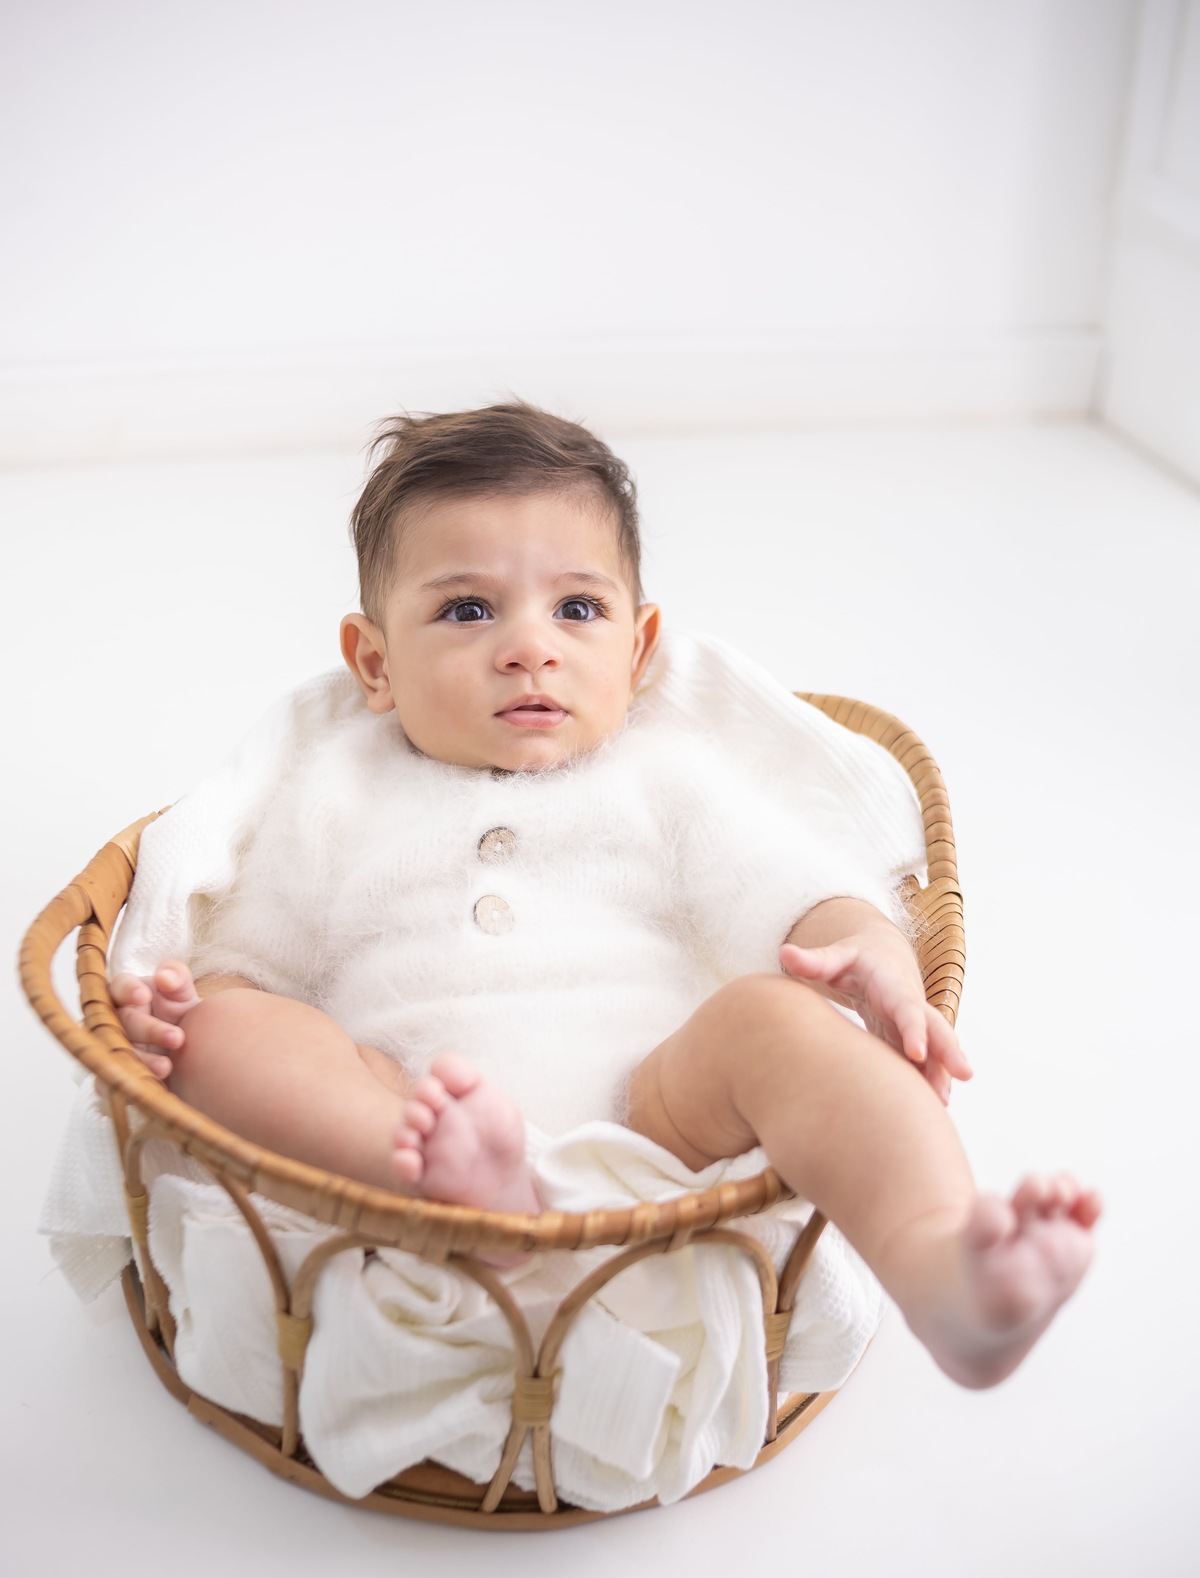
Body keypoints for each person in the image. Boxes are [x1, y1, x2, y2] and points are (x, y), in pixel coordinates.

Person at [109, 401, 1100, 1390]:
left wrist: (866, 942)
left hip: (656, 1111)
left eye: (577, 609)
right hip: (406, 1109)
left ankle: (941, 1267)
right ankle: (466, 1202)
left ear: (636, 647)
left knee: (775, 1021)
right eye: (466, 610)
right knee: (226, 1037)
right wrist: (194, 1000)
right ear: (375, 662)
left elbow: (792, 886)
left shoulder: (665, 777)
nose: (529, 648)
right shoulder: (334, 786)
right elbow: (251, 962)